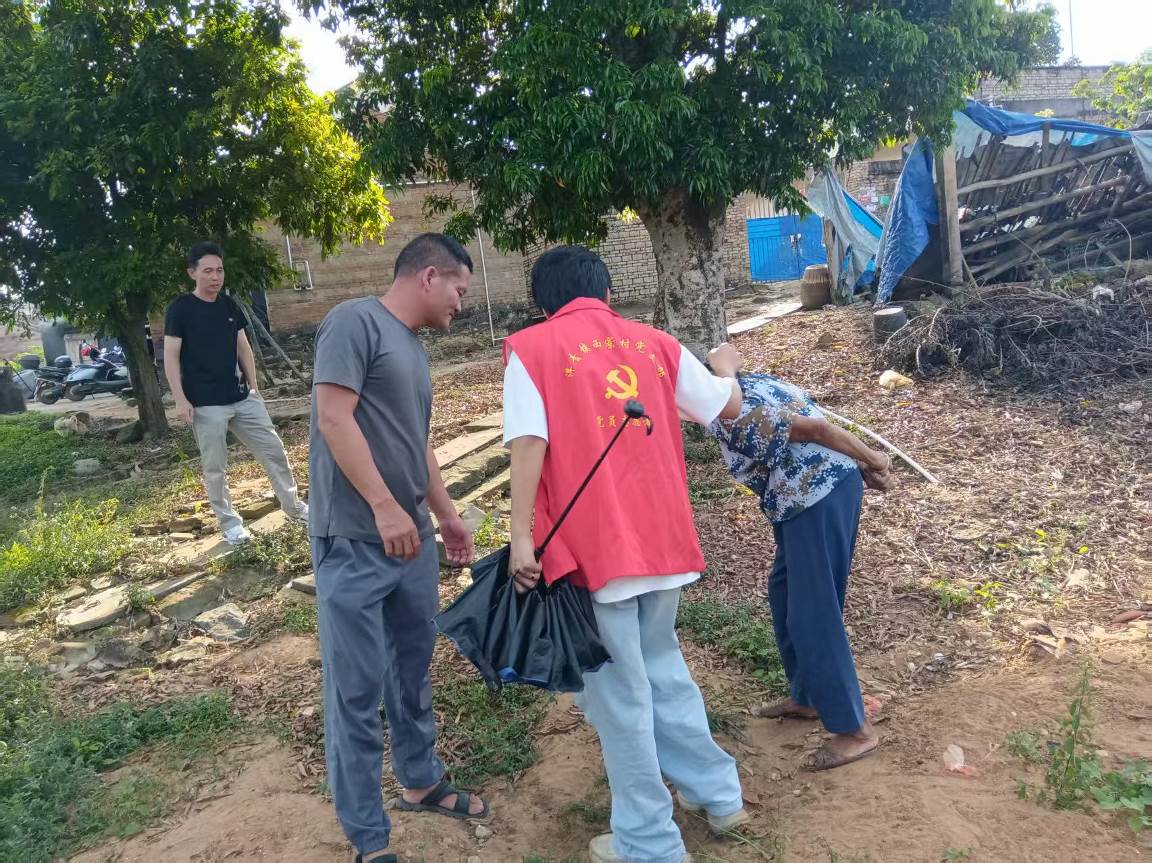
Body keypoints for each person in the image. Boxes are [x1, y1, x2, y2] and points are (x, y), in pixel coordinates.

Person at [504, 246, 748, 863]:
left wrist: (520, 538)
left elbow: (529, 443)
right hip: (663, 540)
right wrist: (727, 367)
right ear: (607, 292)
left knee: (620, 697)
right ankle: (719, 796)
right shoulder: (656, 343)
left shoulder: (531, 349)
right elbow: (726, 406)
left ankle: (648, 842)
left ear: (542, 302)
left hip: (594, 550)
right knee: (663, 667)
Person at [309, 233, 483, 863]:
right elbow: (334, 417)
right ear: (429, 276)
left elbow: (418, 442)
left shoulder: (411, 347)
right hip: (356, 542)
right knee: (355, 692)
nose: (461, 302)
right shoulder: (353, 322)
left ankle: (420, 779)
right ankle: (368, 839)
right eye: (459, 289)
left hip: (410, 543)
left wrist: (447, 516)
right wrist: (384, 506)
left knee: (410, 671)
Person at [704, 348, 895, 771]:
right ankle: (808, 697)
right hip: (807, 496)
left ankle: (855, 730)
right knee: (785, 593)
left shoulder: (728, 411)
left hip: (816, 497)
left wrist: (874, 459)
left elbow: (817, 429)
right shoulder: (745, 383)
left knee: (813, 612)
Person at [164, 241, 307, 545]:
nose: (215, 276)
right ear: (192, 273)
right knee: (215, 467)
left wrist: (254, 386)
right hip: (205, 404)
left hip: (242, 398)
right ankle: (230, 524)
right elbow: (171, 357)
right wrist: (180, 399)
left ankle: (293, 506)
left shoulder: (229, 305)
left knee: (274, 451)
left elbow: (243, 346)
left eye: (219, 270)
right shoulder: (180, 309)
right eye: (208, 271)